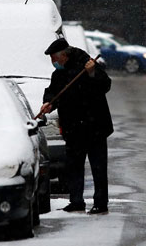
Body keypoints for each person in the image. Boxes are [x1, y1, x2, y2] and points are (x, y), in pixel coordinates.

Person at [37, 38, 113, 215]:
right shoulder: (59, 74)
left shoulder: (88, 65)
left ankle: (101, 202)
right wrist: (48, 103)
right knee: (74, 166)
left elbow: (105, 84)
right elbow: (53, 92)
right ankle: (76, 200)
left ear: (64, 55)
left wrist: (92, 73)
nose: (53, 63)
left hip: (94, 128)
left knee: (98, 167)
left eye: (55, 59)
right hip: (73, 129)